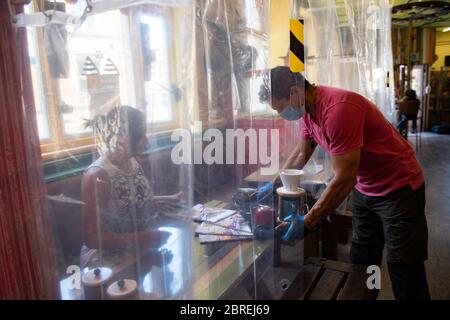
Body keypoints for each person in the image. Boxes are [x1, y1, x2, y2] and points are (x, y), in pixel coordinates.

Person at [259, 66, 430, 300]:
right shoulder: (308, 111)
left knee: (404, 268)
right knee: (363, 261)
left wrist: (308, 221)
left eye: (279, 107)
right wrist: (274, 184)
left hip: (399, 188)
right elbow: (301, 154)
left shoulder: (338, 110)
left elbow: (344, 179)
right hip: (366, 186)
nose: (281, 113)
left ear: (294, 91)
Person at [81, 106, 180, 268]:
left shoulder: (133, 161)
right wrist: (145, 237)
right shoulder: (98, 175)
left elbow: (129, 202)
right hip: (104, 260)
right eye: (141, 136)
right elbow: (92, 238)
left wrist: (168, 199)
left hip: (138, 246)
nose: (146, 141)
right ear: (124, 137)